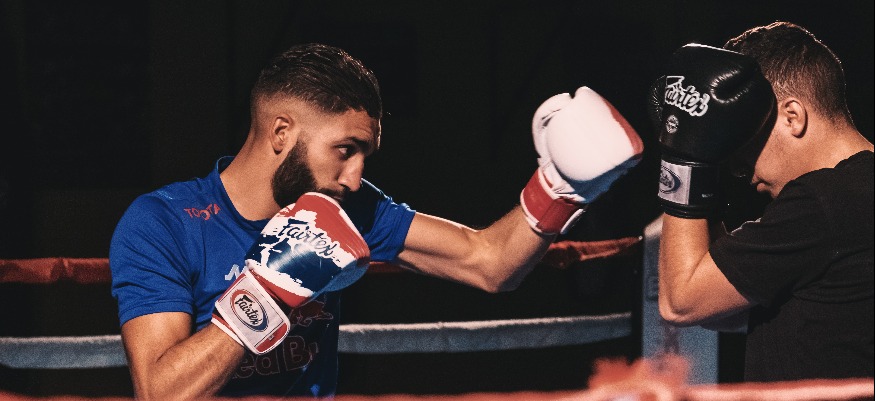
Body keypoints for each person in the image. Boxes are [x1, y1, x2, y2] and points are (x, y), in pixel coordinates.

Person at [109, 42, 643, 399]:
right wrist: (267, 291)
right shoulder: (164, 223)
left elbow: (488, 262)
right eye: (345, 149)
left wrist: (558, 190)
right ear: (281, 132)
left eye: (365, 155)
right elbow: (161, 391)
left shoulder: (352, 207)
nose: (355, 176)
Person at [651, 22, 873, 382]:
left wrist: (684, 156)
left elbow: (681, 302)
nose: (740, 168)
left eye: (745, 140)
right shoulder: (855, 193)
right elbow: (725, 307)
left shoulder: (823, 202)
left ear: (792, 117)